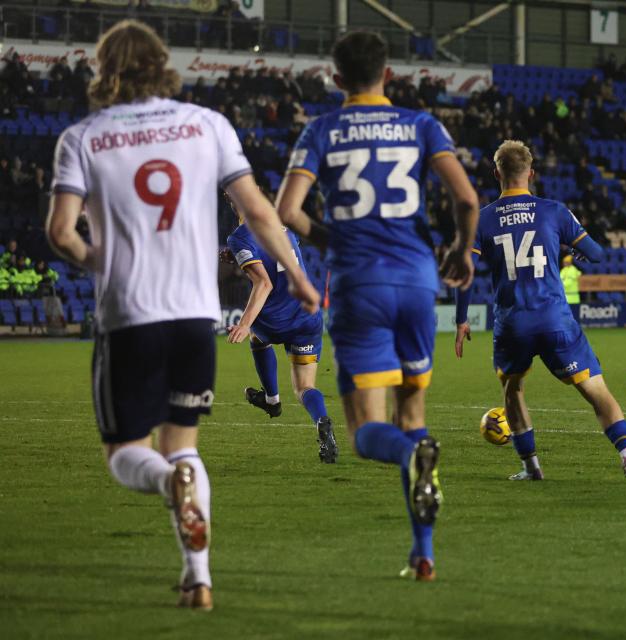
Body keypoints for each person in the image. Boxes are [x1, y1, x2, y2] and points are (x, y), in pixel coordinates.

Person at [45, 20, 320, 610]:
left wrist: (100, 261)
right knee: (184, 443)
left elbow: (60, 232)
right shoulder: (208, 125)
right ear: (163, 64)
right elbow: (261, 213)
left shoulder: (83, 137)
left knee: (126, 455)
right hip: (195, 317)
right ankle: (199, 579)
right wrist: (297, 277)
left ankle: (170, 486)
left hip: (129, 315)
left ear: (105, 70)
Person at [274, 31, 479, 582]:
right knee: (413, 418)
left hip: (358, 283)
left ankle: (412, 466)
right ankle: (424, 553)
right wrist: (460, 250)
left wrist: (329, 241)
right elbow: (465, 198)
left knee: (370, 433)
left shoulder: (321, 129)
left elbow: (286, 210)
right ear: (389, 75)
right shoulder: (421, 124)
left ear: (336, 79)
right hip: (416, 282)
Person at [454, 140, 626, 485]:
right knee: (596, 391)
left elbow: (464, 270)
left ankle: (531, 468)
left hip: (512, 325)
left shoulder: (482, 219)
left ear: (496, 174)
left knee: (513, 391)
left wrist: (461, 319)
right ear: (532, 174)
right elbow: (596, 253)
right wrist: (574, 247)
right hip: (555, 319)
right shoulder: (553, 210)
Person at [224, 213, 336, 463]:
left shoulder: (239, 237)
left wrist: (244, 323)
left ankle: (272, 400)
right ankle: (321, 420)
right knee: (305, 387)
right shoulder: (284, 227)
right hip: (307, 318)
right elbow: (274, 260)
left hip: (276, 321)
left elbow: (264, 283)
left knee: (256, 336)